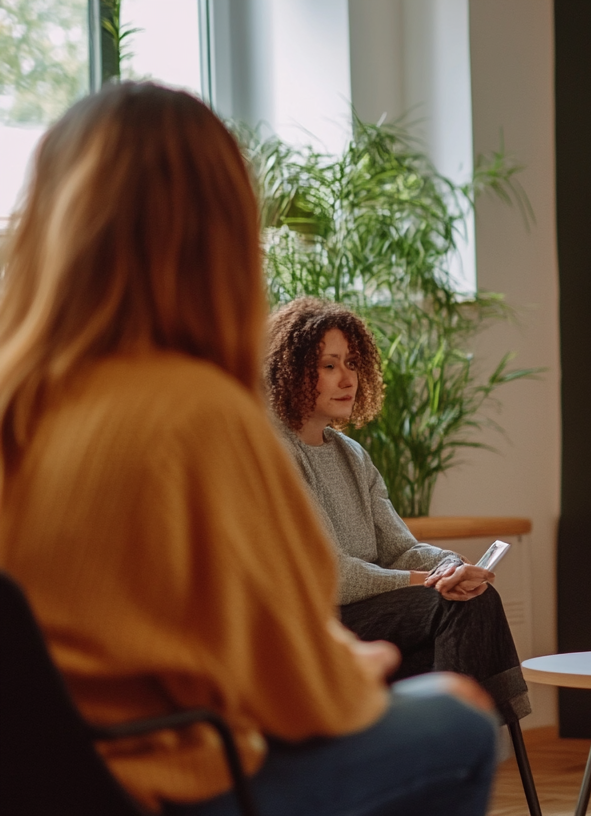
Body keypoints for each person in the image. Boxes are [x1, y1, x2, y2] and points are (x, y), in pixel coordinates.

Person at [0, 83, 497, 816]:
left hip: (37, 783)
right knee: (457, 716)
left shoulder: (18, 398)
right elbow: (300, 697)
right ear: (220, 236)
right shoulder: (196, 413)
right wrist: (359, 668)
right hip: (156, 784)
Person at [265, 297, 533, 725]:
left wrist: (451, 565)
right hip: (315, 624)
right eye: (328, 365)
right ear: (292, 371)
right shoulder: (274, 453)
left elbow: (399, 548)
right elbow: (327, 575)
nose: (346, 378)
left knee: (475, 597)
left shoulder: (350, 455)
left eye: (352, 363)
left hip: (367, 615)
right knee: (452, 603)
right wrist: (433, 582)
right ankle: (464, 743)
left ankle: (459, 742)